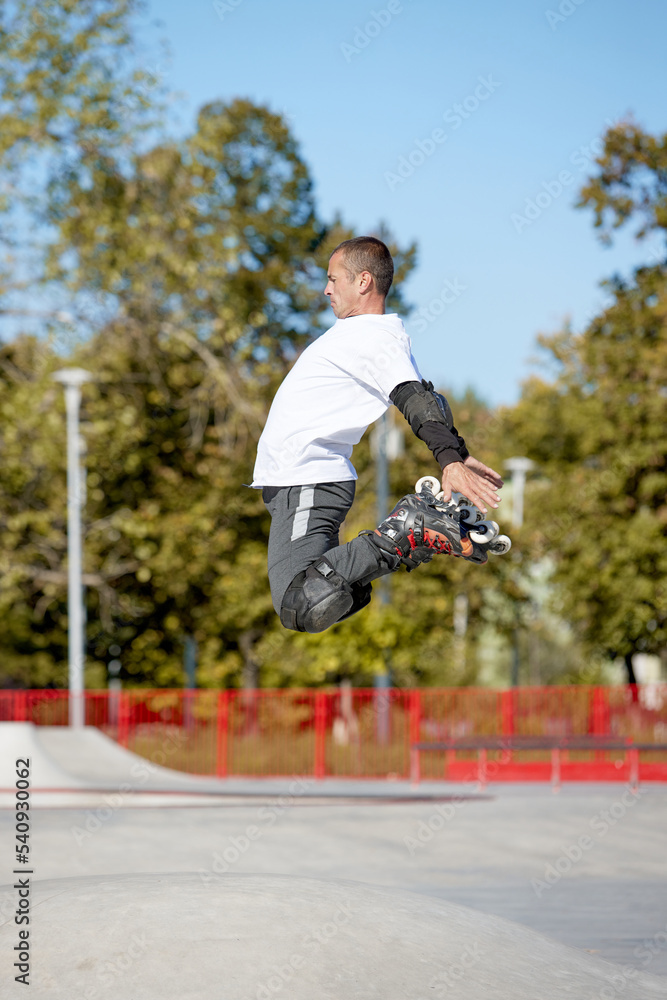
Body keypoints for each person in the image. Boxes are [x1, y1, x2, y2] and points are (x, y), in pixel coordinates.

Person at [251, 236, 503, 634]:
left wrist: (450, 460)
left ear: (364, 281)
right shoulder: (368, 337)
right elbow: (427, 396)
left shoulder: (370, 336)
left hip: (308, 477)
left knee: (302, 601)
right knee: (323, 600)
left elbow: (414, 397)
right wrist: (459, 453)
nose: (326, 289)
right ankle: (413, 535)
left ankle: (408, 528)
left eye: (333, 279)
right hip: (299, 482)